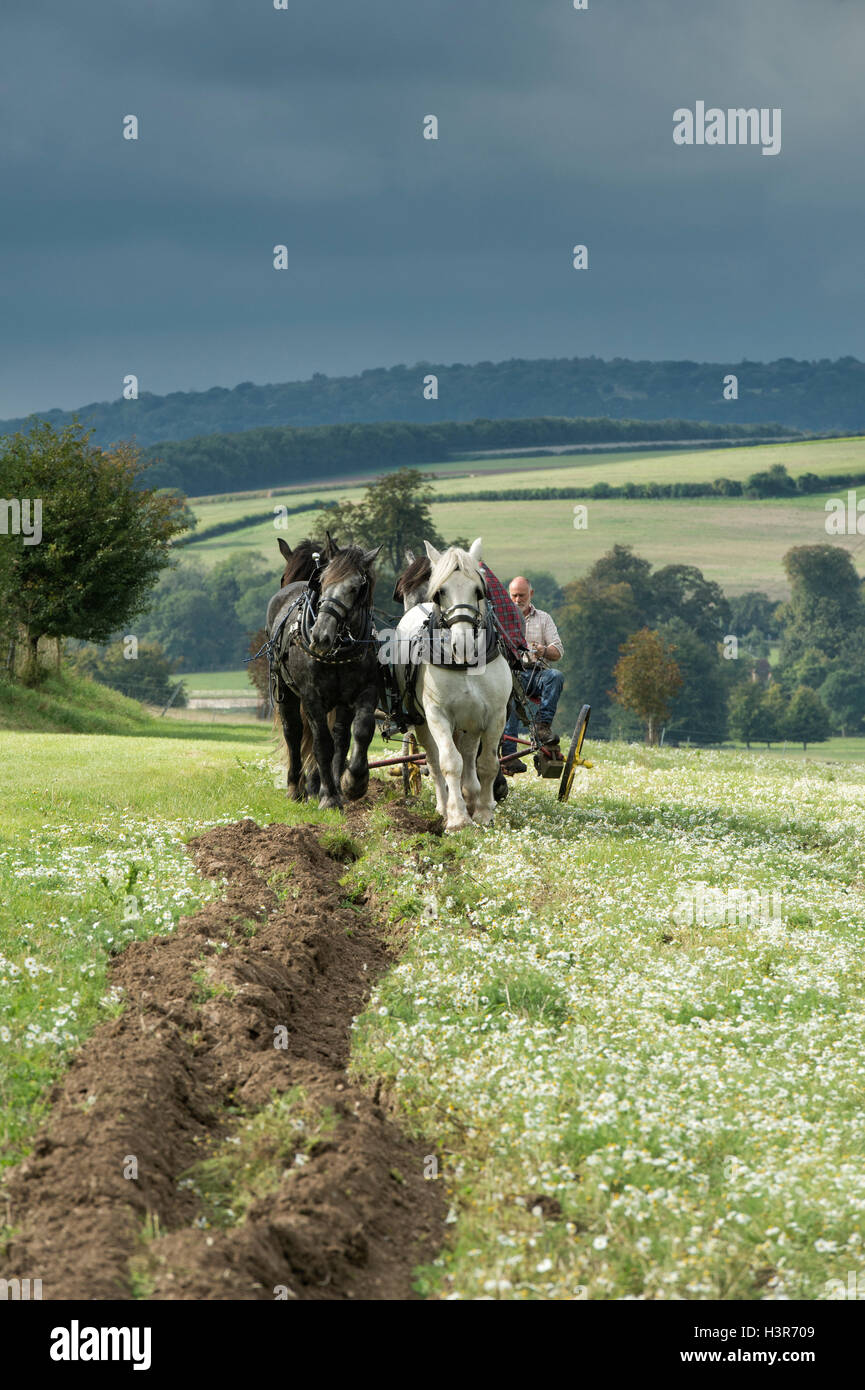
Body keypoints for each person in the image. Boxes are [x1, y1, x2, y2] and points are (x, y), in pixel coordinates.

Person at [502, 575, 564, 772]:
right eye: (513, 596)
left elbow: (558, 651)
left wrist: (543, 650)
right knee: (509, 697)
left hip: (534, 674)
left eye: (521, 595)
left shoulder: (544, 618)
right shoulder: (500, 619)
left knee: (555, 676)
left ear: (531, 594)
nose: (517, 600)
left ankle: (542, 726)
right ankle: (509, 755)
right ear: (508, 595)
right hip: (506, 675)